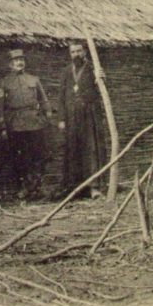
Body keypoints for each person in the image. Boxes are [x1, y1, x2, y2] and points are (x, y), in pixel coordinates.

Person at [0, 49, 52, 201]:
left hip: (35, 123)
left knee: (37, 156)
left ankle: (36, 188)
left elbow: (43, 100)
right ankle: (22, 188)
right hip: (15, 125)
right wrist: (2, 127)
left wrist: (48, 117)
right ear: (10, 64)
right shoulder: (3, 83)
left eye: (21, 60)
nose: (19, 63)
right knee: (19, 158)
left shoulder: (34, 80)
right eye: (16, 60)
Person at [57, 41, 106, 200]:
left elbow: (103, 91)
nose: (76, 54)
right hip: (71, 117)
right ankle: (76, 188)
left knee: (91, 149)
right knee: (73, 150)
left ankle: (94, 187)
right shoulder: (66, 71)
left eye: (78, 51)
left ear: (84, 51)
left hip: (89, 115)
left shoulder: (93, 69)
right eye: (72, 52)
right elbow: (62, 97)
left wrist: (102, 78)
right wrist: (62, 119)